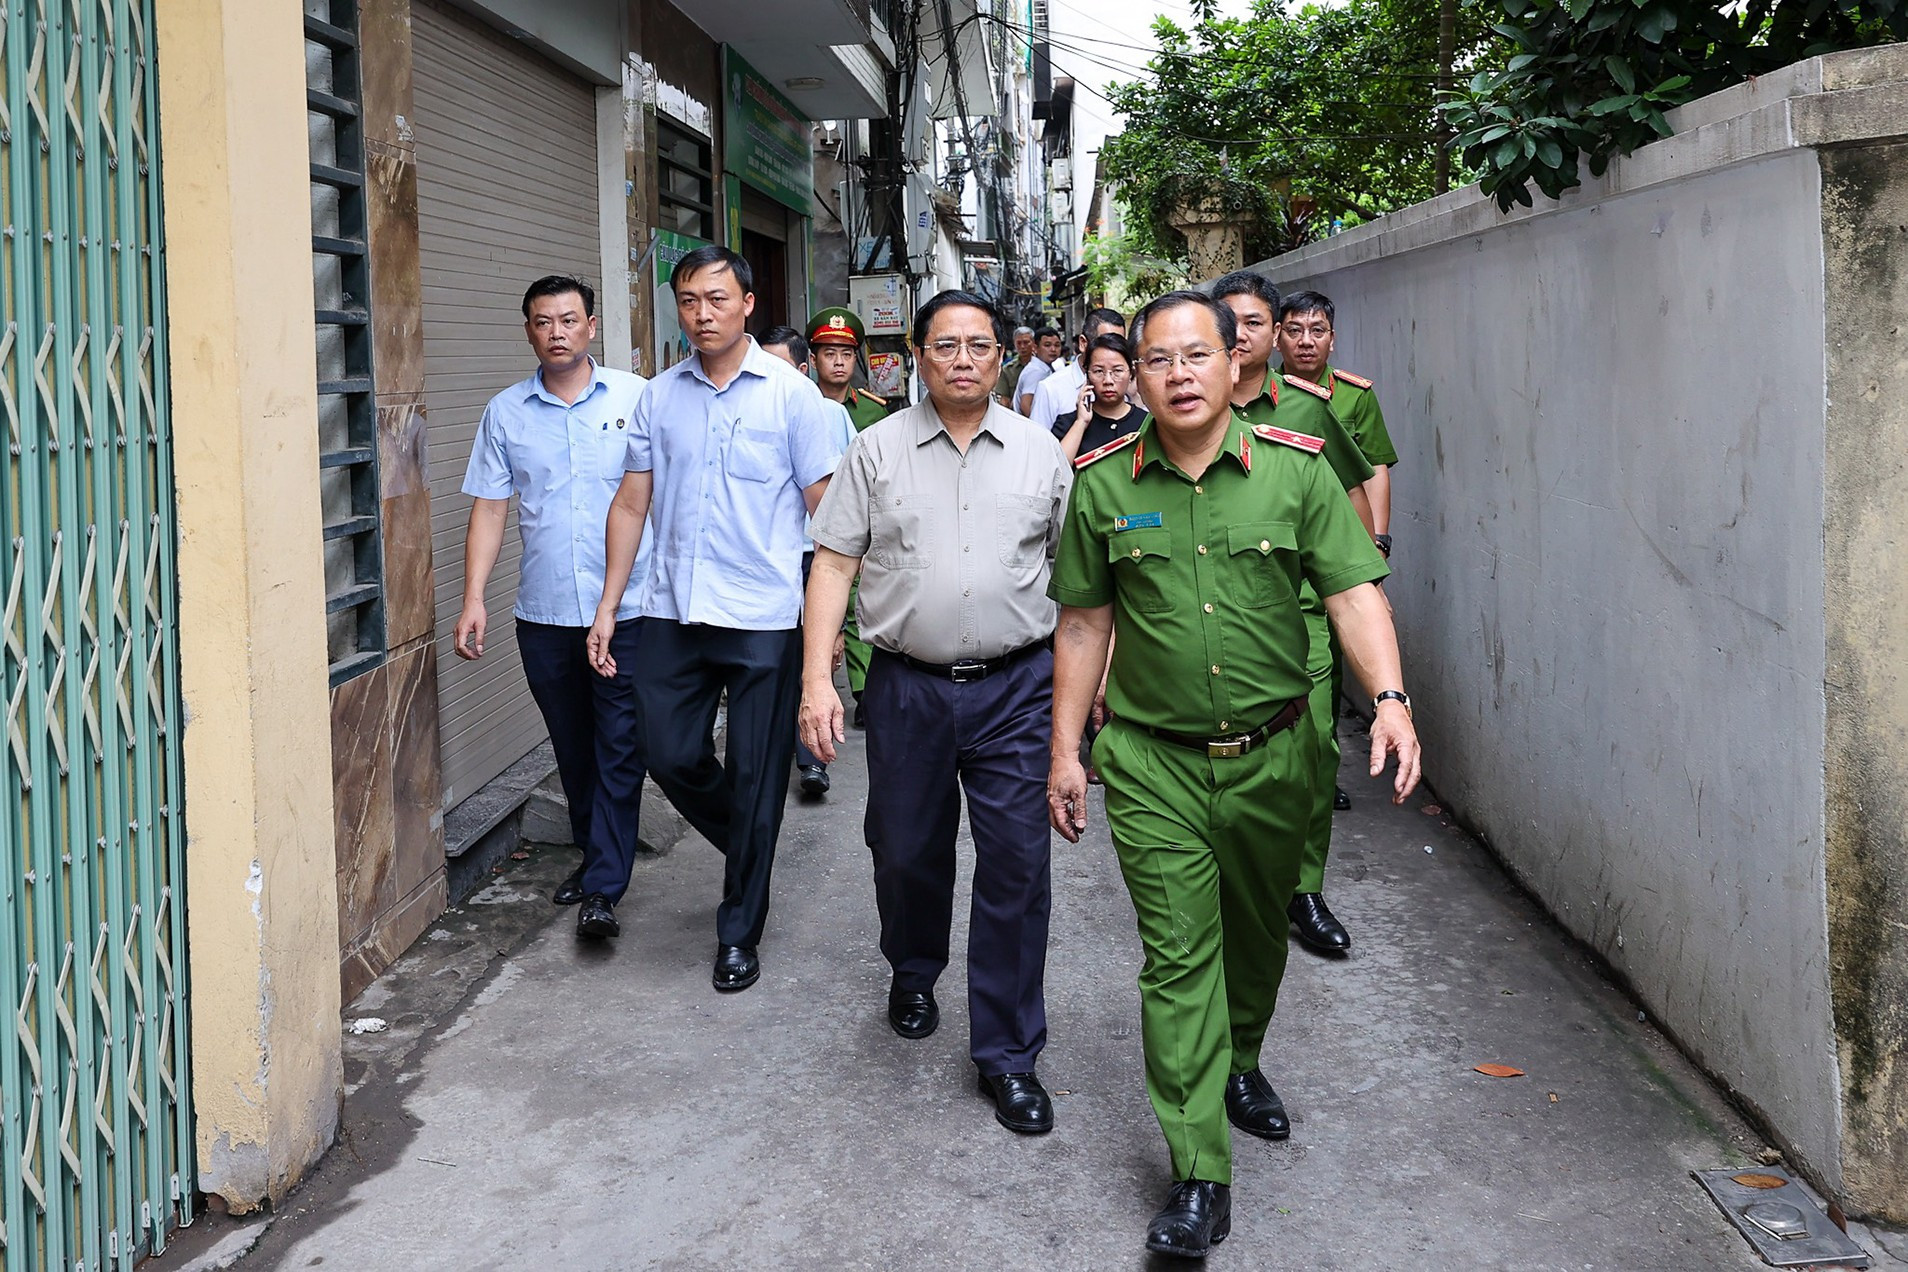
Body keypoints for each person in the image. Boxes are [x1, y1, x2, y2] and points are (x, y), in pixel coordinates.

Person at [1046, 290, 1422, 1258]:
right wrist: (1064, 752)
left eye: (1195, 355)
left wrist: (1389, 700)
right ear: (1135, 370)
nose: (1177, 373)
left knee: (1257, 939)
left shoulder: (1293, 473)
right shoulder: (1100, 485)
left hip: (1275, 754)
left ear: (1231, 364)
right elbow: (1085, 622)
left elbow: (1351, 591)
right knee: (1178, 961)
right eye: (1157, 359)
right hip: (1151, 761)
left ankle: (1241, 1059)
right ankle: (1199, 1170)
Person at [800, 290, 1071, 1136]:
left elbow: (1077, 583)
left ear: (1003, 357)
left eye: (980, 346)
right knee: (906, 850)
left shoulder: (1042, 456)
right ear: (915, 355)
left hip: (1018, 688)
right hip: (907, 687)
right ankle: (913, 967)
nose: (963, 359)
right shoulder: (874, 451)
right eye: (945, 345)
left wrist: (1082, 701)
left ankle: (1008, 1053)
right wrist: (819, 680)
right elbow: (834, 566)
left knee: (1018, 868)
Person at [588, 246, 844, 992]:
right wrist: (609, 605)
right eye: (689, 301)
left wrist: (830, 639)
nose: (702, 314)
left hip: (764, 614)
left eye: (717, 299)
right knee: (667, 754)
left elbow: (826, 509)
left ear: (747, 304)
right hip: (670, 607)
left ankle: (739, 933)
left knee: (760, 771)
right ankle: (750, 840)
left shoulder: (793, 398)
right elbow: (632, 502)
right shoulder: (658, 397)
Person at [455, 274, 651, 940]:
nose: (557, 332)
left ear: (591, 326)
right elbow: (489, 506)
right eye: (544, 322)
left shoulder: (636, 398)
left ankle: (603, 884)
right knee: (572, 746)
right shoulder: (506, 412)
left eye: (569, 320)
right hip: (542, 612)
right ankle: (598, 851)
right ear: (529, 331)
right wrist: (474, 597)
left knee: (618, 741)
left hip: (627, 608)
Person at [1212, 268, 1374, 956]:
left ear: (1274, 333)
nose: (1240, 335)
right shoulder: (1185, 402)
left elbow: (1356, 507)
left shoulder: (1307, 410)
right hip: (1213, 614)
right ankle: (1228, 884)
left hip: (1299, 615)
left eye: (1254, 323)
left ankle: (1302, 888)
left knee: (1310, 750)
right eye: (1229, 322)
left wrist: (1356, 597)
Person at [759, 325, 855, 799]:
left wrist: (836, 622)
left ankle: (813, 759)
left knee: (812, 661)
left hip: (810, 557)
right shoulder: (744, 412)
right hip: (763, 560)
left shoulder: (830, 415)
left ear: (802, 371)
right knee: (771, 666)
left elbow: (840, 503)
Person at [1276, 290, 1397, 556]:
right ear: (1277, 337)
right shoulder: (1262, 394)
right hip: (1279, 530)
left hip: (1343, 530)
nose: (1306, 341)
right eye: (1294, 331)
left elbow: (1375, 468)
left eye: (1318, 331)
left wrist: (1378, 542)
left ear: (1332, 340)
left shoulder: (1355, 395)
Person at [1050, 332, 1146, 462]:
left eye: (1117, 371)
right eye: (1098, 371)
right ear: (1087, 374)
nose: (1108, 380)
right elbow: (1056, 470)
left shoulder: (1147, 423)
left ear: (1131, 373)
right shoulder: (1068, 423)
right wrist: (1081, 422)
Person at [1029, 307, 1126, 432]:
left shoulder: (1126, 384)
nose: (1113, 352)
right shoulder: (1051, 389)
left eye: (1119, 345)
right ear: (1083, 343)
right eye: (1104, 344)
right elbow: (1038, 444)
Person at [807, 306, 895, 433]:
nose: (839, 362)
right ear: (813, 360)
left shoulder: (873, 411)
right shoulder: (803, 407)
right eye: (830, 354)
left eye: (846, 355)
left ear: (854, 359)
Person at [1015, 326, 1062, 415]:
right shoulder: (1036, 371)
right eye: (1047, 345)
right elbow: (1025, 405)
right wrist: (1040, 426)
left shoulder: (1044, 368)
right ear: (1035, 348)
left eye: (1057, 345)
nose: (1053, 349)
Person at [996, 325, 1035, 406]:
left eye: (1026, 342)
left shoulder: (1042, 367)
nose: (1022, 346)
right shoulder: (1007, 370)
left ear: (1034, 343)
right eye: (1019, 343)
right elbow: (1004, 399)